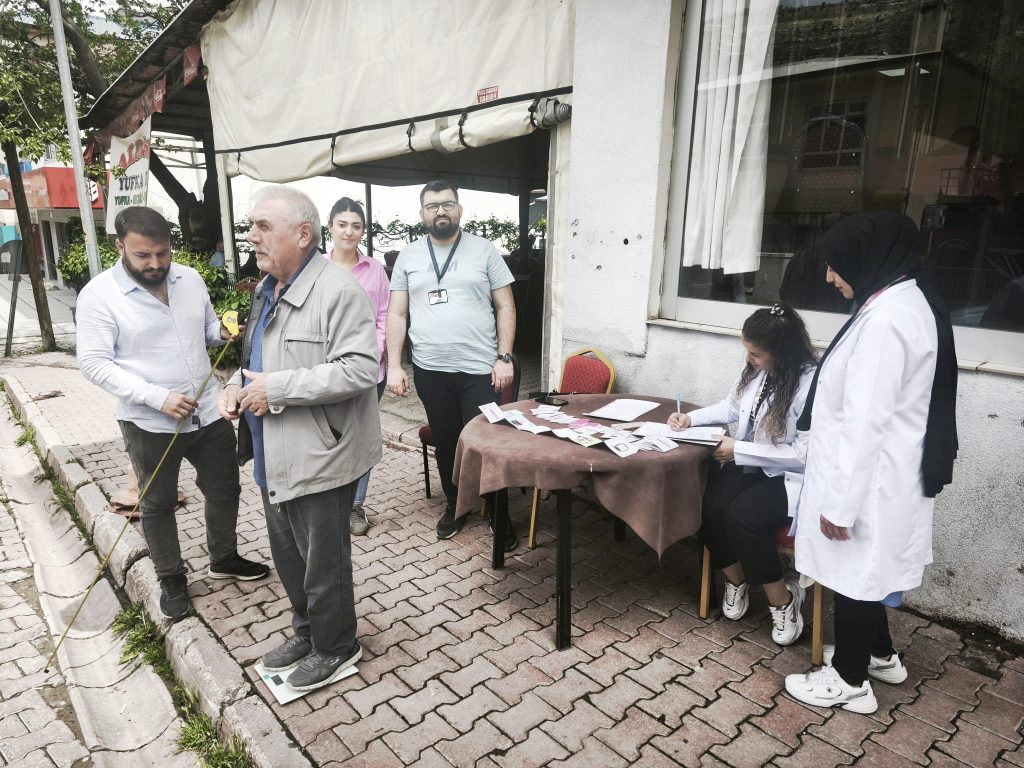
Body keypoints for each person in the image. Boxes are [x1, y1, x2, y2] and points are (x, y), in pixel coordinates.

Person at [785, 211, 958, 714]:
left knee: (856, 576)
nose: (829, 276)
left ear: (867, 259)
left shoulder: (886, 321)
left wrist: (840, 505)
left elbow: (864, 422)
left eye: (835, 264)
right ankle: (881, 655)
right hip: (882, 475)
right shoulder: (898, 302)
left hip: (869, 480)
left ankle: (850, 681)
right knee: (866, 571)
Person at [219, 186, 381, 692]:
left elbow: (361, 369)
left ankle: (337, 645)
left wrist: (276, 389)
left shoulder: (338, 291)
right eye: (252, 225)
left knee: (323, 564)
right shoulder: (267, 289)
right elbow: (257, 362)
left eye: (263, 226)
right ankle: (308, 632)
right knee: (289, 557)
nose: (252, 236)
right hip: (272, 451)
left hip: (320, 453)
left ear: (304, 234)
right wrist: (235, 387)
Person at [76, 206, 269, 622]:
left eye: (162, 253)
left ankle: (223, 557)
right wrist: (156, 397)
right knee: (158, 503)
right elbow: (93, 363)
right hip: (149, 422)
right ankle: (171, 578)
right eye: (143, 255)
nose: (155, 263)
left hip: (208, 412)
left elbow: (205, 331)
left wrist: (221, 331)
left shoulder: (190, 279)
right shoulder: (98, 295)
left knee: (225, 489)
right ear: (120, 247)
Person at [668, 303, 816, 645]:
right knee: (705, 504)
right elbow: (731, 407)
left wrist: (738, 449)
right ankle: (736, 580)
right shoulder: (757, 370)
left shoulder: (811, 384)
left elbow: (804, 454)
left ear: (783, 352)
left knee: (743, 517)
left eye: (756, 354)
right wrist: (691, 419)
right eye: (747, 351)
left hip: (792, 476)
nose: (749, 359)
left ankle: (783, 600)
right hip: (751, 462)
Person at [385, 180, 518, 548]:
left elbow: (505, 305)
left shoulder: (485, 250)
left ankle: (498, 511)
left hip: (481, 369)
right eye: (432, 206)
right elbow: (396, 313)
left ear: (459, 209)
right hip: (431, 370)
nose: (440, 211)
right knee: (446, 442)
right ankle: (456, 504)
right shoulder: (409, 256)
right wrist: (395, 365)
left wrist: (504, 357)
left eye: (447, 204)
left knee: (488, 442)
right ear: (422, 213)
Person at [325, 197, 389, 535]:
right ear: (330, 227)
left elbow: (384, 317)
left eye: (356, 226)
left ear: (363, 231)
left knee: (361, 438)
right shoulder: (315, 268)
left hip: (368, 371)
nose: (349, 232)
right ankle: (329, 500)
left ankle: (355, 505)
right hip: (325, 370)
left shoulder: (375, 270)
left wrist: (371, 356)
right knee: (327, 435)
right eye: (342, 224)